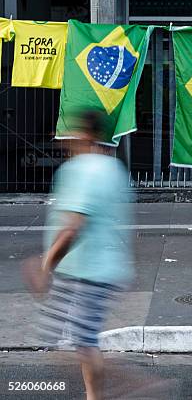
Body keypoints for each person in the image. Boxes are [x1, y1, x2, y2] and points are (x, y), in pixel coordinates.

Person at [22, 109, 134, 400]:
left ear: (83, 134)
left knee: (79, 344)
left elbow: (73, 228)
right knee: (73, 343)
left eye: (68, 131)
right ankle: (96, 394)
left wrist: (46, 265)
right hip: (98, 268)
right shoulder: (113, 168)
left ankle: (133, 385)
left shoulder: (80, 170)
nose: (62, 139)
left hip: (87, 272)